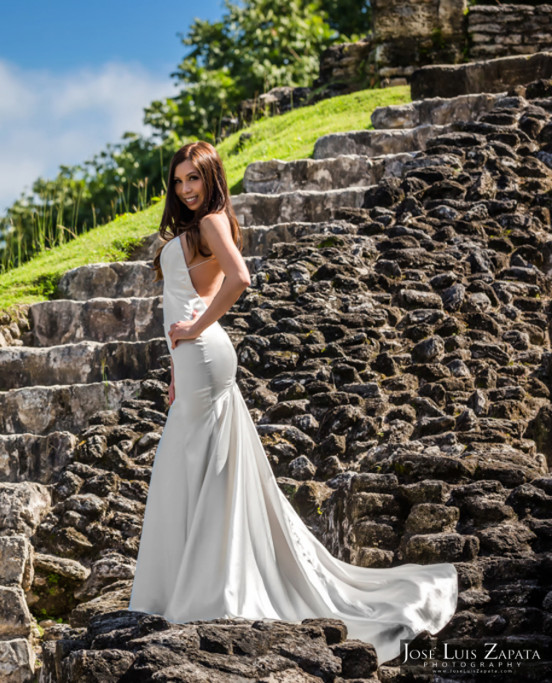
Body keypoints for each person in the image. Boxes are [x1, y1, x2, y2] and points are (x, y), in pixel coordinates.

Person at [129, 141, 458, 663]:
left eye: (195, 178)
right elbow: (183, 298)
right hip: (192, 361)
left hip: (203, 351)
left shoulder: (212, 221)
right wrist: (175, 367)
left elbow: (240, 278)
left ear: (212, 178)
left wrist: (195, 327)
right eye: (179, 181)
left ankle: (206, 587)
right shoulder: (194, 229)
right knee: (190, 462)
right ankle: (188, 584)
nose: (187, 189)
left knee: (203, 464)